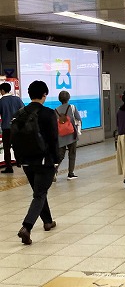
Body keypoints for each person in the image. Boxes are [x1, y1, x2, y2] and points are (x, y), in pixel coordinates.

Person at [14, 81, 59, 245]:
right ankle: (26, 227)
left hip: (26, 162)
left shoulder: (20, 113)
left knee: (39, 191)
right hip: (44, 160)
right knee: (39, 194)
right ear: (44, 94)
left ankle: (48, 221)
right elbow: (54, 139)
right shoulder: (48, 113)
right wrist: (56, 160)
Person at [55, 91, 81, 180]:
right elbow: (78, 119)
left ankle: (54, 172)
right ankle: (71, 173)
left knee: (60, 156)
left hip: (61, 136)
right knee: (72, 154)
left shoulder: (56, 110)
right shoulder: (72, 107)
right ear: (68, 98)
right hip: (72, 135)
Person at [0, 82, 24, 173]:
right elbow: (23, 111)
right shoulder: (17, 99)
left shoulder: (1, 101)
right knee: (18, 146)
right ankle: (21, 162)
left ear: (2, 90)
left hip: (6, 128)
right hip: (17, 128)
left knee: (6, 148)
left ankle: (9, 167)